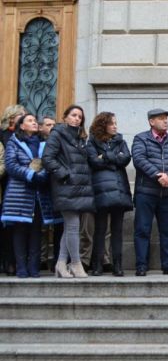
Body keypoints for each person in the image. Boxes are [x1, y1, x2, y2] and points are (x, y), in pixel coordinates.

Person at [1, 114, 59, 277]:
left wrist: (44, 174)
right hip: (19, 192)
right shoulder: (14, 142)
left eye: (35, 121)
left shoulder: (44, 143)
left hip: (39, 194)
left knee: (37, 231)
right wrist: (30, 174)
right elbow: (11, 165)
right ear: (21, 126)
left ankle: (33, 268)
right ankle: (21, 268)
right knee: (20, 231)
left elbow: (49, 162)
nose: (34, 123)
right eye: (30, 121)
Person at [131, 108, 168, 276]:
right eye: (161, 119)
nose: (165, 121)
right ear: (151, 122)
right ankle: (141, 265)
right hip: (146, 192)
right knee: (142, 229)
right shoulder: (141, 138)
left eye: (166, 119)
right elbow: (139, 159)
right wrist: (158, 175)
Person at [43, 105, 96, 279]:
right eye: (73, 115)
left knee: (70, 228)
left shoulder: (80, 137)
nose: (77, 119)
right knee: (73, 226)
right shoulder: (57, 134)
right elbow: (48, 159)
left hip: (78, 188)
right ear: (65, 117)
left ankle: (60, 263)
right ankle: (75, 263)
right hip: (65, 187)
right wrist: (64, 174)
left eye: (80, 117)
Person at [85, 112, 132, 277]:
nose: (115, 126)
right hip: (101, 191)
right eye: (112, 123)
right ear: (103, 125)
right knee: (100, 230)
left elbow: (126, 159)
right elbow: (93, 161)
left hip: (119, 190)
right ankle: (97, 265)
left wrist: (105, 156)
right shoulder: (91, 142)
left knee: (117, 230)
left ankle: (118, 266)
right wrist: (113, 160)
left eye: (115, 123)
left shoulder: (121, 141)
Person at [0, 104, 27, 276]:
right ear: (12, 117)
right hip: (5, 184)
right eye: (21, 115)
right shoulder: (3, 135)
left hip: (21, 184)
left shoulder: (25, 135)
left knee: (15, 228)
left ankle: (14, 262)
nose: (25, 117)